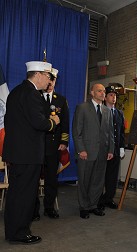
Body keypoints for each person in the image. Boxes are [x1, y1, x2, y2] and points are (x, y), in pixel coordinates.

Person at [3, 61, 60, 244]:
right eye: (48, 76)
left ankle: (12, 231)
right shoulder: (32, 94)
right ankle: (21, 232)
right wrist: (54, 122)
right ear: (38, 75)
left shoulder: (16, 92)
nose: (49, 81)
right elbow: (39, 123)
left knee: (15, 194)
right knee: (25, 195)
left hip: (17, 153)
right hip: (28, 154)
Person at [72, 83, 114, 219]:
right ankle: (84, 207)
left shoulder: (107, 111)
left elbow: (110, 133)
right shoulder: (82, 108)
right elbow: (76, 132)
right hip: (86, 152)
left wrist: (111, 150)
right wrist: (81, 150)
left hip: (102, 153)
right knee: (84, 180)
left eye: (103, 91)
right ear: (92, 92)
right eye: (99, 91)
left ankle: (93, 205)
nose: (102, 93)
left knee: (98, 181)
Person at [33, 67, 69, 220]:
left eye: (53, 80)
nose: (50, 83)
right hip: (37, 145)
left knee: (51, 179)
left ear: (55, 81)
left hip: (54, 146)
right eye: (49, 79)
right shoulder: (34, 96)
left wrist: (64, 141)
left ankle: (49, 208)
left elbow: (65, 122)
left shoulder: (60, 99)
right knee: (33, 179)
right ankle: (33, 210)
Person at [98, 86, 125, 210]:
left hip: (115, 150)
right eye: (111, 95)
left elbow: (121, 132)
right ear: (105, 97)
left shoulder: (119, 113)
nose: (113, 98)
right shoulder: (101, 111)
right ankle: (98, 199)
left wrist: (121, 147)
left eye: (115, 95)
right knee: (101, 175)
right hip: (103, 149)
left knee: (112, 177)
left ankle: (108, 198)